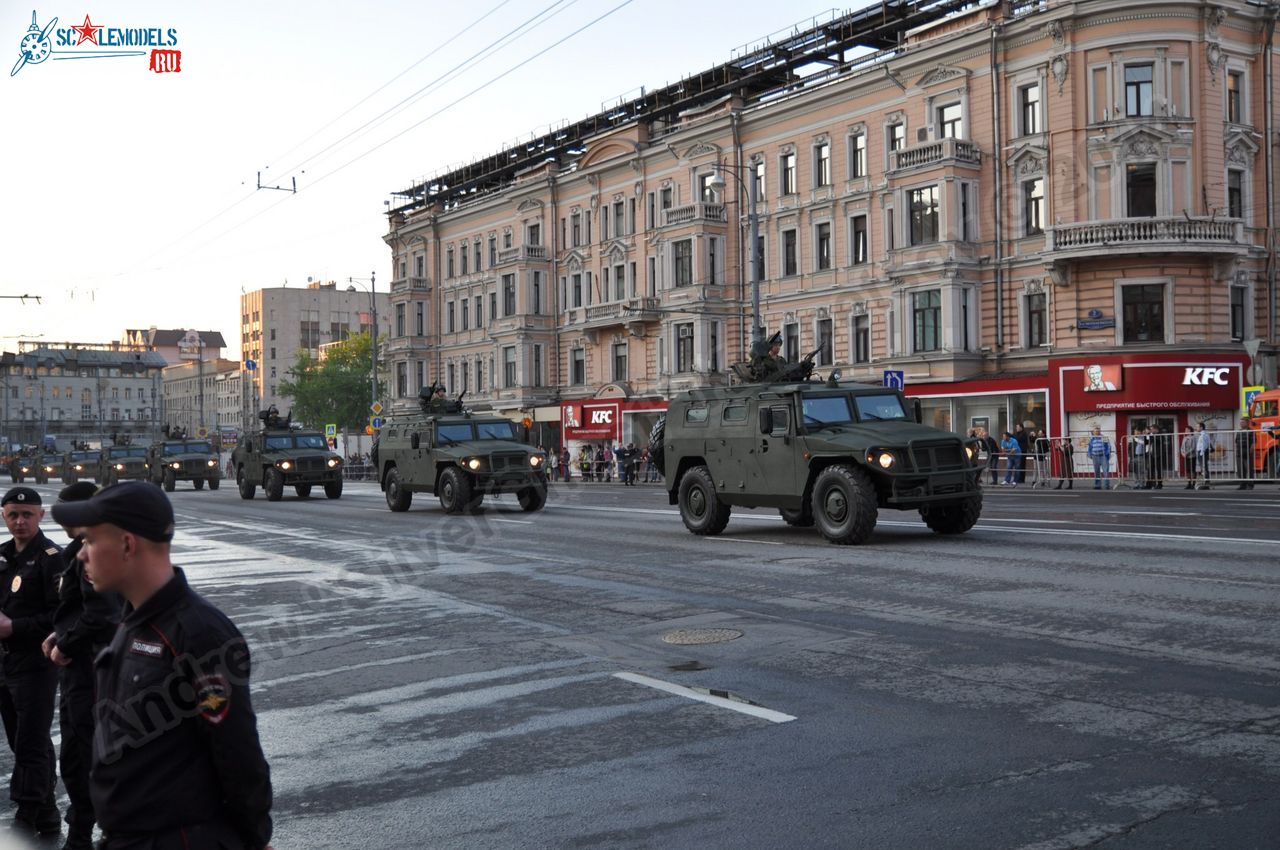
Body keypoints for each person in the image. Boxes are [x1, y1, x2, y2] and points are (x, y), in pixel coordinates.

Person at [52, 482, 273, 850]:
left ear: (127, 544)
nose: (80, 555)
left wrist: (253, 839)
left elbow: (237, 755)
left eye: (89, 540)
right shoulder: (132, 620)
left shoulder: (198, 633)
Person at [42, 481, 124, 850]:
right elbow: (76, 611)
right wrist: (59, 636)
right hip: (80, 661)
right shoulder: (78, 550)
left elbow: (101, 615)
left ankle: (102, 831)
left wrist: (66, 644)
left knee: (90, 751)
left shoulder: (91, 553)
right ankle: (81, 829)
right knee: (75, 754)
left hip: (90, 665)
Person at [0, 487, 63, 835]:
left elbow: (61, 616)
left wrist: (14, 627)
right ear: (4, 516)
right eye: (13, 514)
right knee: (19, 739)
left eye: (27, 514)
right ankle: (48, 811)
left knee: (30, 741)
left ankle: (26, 815)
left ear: (41, 515)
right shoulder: (3, 556)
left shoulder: (52, 558)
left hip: (36, 662)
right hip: (5, 664)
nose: (20, 521)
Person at [1235, 419, 1256, 489]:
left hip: (1248, 453)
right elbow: (1236, 442)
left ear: (1247, 423)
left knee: (1249, 470)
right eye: (1240, 422)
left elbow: (1253, 442)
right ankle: (1242, 485)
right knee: (1240, 470)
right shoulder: (1239, 431)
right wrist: (1236, 451)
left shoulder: (1251, 431)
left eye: (1243, 422)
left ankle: (1250, 485)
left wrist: (1251, 451)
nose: (1241, 423)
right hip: (1239, 453)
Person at [1195, 423, 1213, 489]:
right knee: (1203, 467)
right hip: (1201, 452)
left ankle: (1207, 481)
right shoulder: (1201, 434)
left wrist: (1201, 452)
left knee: (1204, 467)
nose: (1196, 428)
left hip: (1202, 452)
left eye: (1197, 427)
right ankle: (1205, 480)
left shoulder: (1204, 435)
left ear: (1201, 427)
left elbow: (1205, 444)